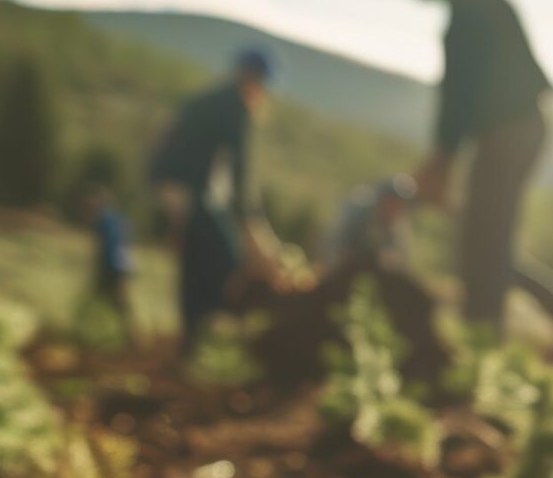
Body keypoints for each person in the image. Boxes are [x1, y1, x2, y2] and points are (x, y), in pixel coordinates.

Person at [389, 0, 553, 341]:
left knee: (482, 243)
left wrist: (442, 160)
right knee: (487, 238)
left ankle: (485, 336)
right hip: (520, 128)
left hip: (508, 133)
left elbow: (459, 94)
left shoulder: (466, 14)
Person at [148, 47, 291, 354]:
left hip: (181, 187)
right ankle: (201, 339)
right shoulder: (233, 107)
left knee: (200, 259)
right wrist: (254, 224)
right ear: (254, 81)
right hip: (184, 189)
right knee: (222, 260)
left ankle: (192, 340)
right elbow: (239, 175)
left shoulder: (218, 99)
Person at [325, 174, 417, 272]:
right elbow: (334, 241)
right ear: (382, 198)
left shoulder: (399, 227)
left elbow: (401, 259)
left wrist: (388, 259)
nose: (394, 207)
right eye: (391, 201)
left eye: (400, 204)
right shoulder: (359, 211)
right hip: (344, 265)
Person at [81, 184, 136, 343]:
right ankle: (124, 334)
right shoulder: (118, 218)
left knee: (113, 300)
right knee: (116, 301)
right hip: (121, 264)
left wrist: (99, 266)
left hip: (113, 265)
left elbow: (108, 246)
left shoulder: (105, 219)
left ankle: (127, 335)